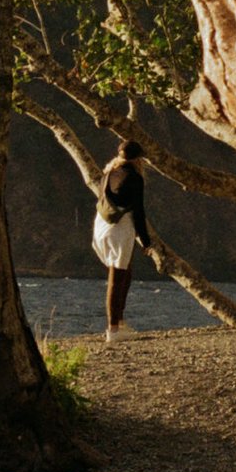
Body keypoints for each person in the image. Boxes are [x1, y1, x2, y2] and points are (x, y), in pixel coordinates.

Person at [93, 141, 151, 337]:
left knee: (125, 272)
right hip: (120, 227)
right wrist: (145, 240)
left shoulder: (108, 173)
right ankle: (113, 330)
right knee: (117, 276)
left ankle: (119, 322)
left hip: (101, 224)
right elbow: (138, 210)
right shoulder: (134, 177)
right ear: (138, 159)